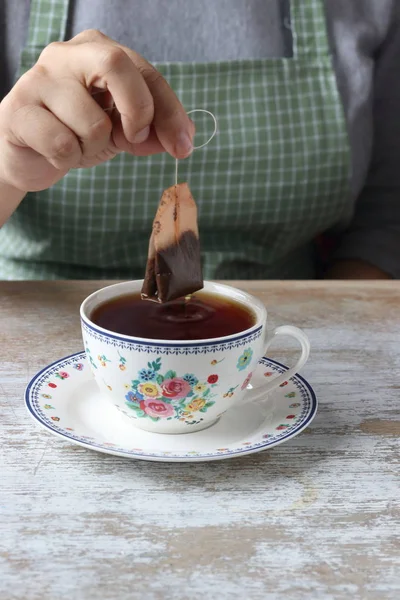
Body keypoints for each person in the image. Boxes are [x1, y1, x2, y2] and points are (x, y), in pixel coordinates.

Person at [0, 0, 399, 281]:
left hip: (282, 340)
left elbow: (386, 214)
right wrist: (8, 167)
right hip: (36, 325)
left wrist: (341, 330)